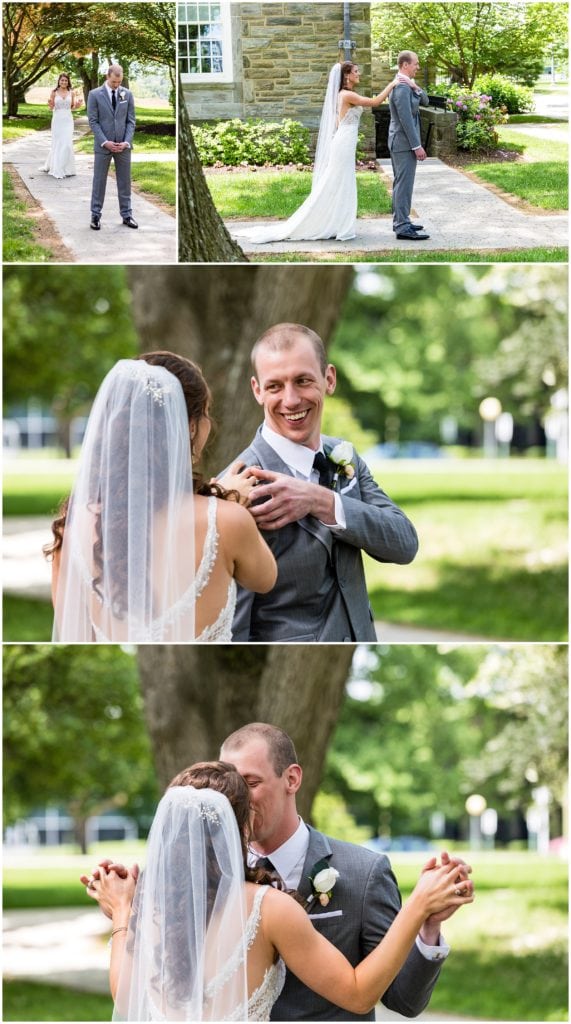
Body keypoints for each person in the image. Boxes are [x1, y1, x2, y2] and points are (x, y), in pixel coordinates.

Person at [81, 759, 474, 1021]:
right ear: (242, 825)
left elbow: (125, 998)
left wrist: (122, 910)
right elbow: (357, 995)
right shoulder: (268, 909)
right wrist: (418, 904)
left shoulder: (150, 910)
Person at [220, 724, 470, 1021]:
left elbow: (404, 1000)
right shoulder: (215, 878)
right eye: (232, 786)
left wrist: (426, 927)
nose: (238, 799)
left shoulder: (365, 873)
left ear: (291, 779)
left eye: (250, 783)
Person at [45, 352, 277, 642]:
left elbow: (72, 633)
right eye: (206, 412)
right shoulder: (228, 521)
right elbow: (265, 579)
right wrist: (227, 506)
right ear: (190, 426)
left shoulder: (71, 526)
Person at [222, 323, 418, 642]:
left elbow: (404, 544)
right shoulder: (237, 486)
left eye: (303, 381)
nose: (291, 400)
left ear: (329, 379)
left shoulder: (344, 457)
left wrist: (322, 502)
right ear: (257, 390)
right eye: (275, 386)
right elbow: (231, 625)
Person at [245, 62, 397, 244]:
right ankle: (333, 223)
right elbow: (375, 102)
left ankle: (337, 222)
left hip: (344, 141)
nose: (359, 75)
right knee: (337, 181)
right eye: (356, 72)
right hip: (343, 143)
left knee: (340, 181)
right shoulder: (347, 94)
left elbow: (337, 121)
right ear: (347, 75)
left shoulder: (342, 95)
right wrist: (393, 83)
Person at [87, 64, 137, 230]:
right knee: (99, 181)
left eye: (119, 82)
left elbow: (131, 121)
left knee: (125, 182)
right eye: (114, 81)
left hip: (123, 146)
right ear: (107, 77)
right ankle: (95, 215)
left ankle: (127, 215)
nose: (117, 85)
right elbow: (93, 121)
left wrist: (127, 142)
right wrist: (105, 141)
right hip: (103, 146)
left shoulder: (127, 94)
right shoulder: (94, 95)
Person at [388, 52, 430, 241]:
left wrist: (416, 87)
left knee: (403, 184)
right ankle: (402, 226)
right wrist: (417, 146)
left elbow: (426, 101)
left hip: (404, 143)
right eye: (416, 64)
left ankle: (402, 220)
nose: (418, 67)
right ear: (405, 65)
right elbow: (405, 120)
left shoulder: (408, 86)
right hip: (403, 143)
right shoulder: (400, 88)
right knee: (403, 185)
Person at [43, 73, 82, 179]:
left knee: (67, 143)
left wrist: (78, 105)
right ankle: (57, 168)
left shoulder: (72, 92)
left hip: (68, 121)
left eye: (65, 80)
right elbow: (51, 108)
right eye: (62, 80)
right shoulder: (54, 92)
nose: (64, 82)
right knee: (58, 143)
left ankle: (67, 168)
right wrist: (50, 104)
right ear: (59, 81)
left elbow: (72, 107)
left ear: (68, 82)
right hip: (57, 120)